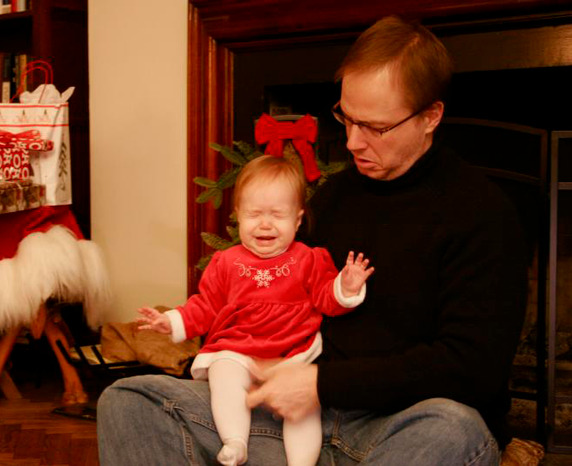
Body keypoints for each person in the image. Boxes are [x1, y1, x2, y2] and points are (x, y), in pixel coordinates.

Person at [97, 15, 527, 466]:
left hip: (398, 428)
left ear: (430, 117)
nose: (353, 142)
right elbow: (277, 294)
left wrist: (322, 384)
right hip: (297, 418)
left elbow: (473, 369)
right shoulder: (336, 196)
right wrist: (247, 361)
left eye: (376, 127)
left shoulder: (482, 213)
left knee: (454, 428)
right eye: (347, 118)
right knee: (131, 401)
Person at [135, 155, 374, 466]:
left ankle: (302, 462)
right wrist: (172, 320)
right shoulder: (226, 262)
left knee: (305, 405)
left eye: (278, 215)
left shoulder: (308, 259)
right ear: (238, 216)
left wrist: (346, 287)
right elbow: (206, 305)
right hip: (238, 349)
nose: (265, 224)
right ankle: (235, 441)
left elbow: (325, 299)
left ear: (297, 220)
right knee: (223, 372)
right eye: (254, 214)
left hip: (291, 353)